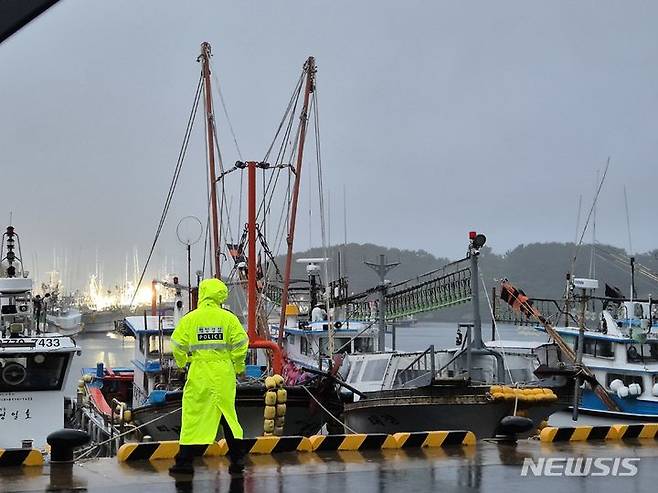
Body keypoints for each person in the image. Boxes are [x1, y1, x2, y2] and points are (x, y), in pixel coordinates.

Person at [169, 278, 249, 476]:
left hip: (199, 372)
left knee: (193, 415)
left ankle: (184, 462)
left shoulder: (190, 319)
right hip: (223, 372)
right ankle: (238, 459)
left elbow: (177, 344)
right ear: (221, 295)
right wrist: (239, 366)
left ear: (203, 294)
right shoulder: (228, 319)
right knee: (227, 416)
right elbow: (241, 343)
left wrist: (182, 363)